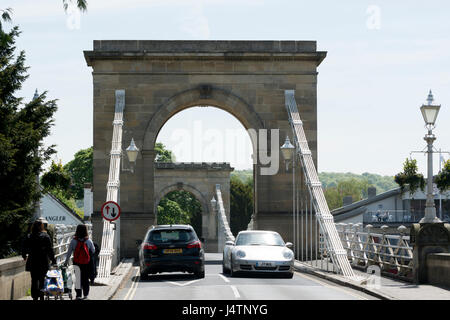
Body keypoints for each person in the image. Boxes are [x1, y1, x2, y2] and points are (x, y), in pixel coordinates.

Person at [22, 220, 57, 300]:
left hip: (33, 260)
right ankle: (41, 295)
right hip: (43, 261)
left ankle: (34, 296)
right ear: (42, 227)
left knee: (34, 279)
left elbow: (24, 247)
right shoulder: (46, 236)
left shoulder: (29, 236)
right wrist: (53, 260)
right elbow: (50, 250)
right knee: (42, 279)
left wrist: (24, 256)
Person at [64, 224, 95, 300]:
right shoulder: (88, 240)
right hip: (86, 263)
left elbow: (69, 253)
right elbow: (93, 250)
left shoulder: (73, 241)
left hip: (77, 262)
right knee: (85, 279)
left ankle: (78, 295)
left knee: (78, 279)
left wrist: (66, 262)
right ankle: (85, 295)